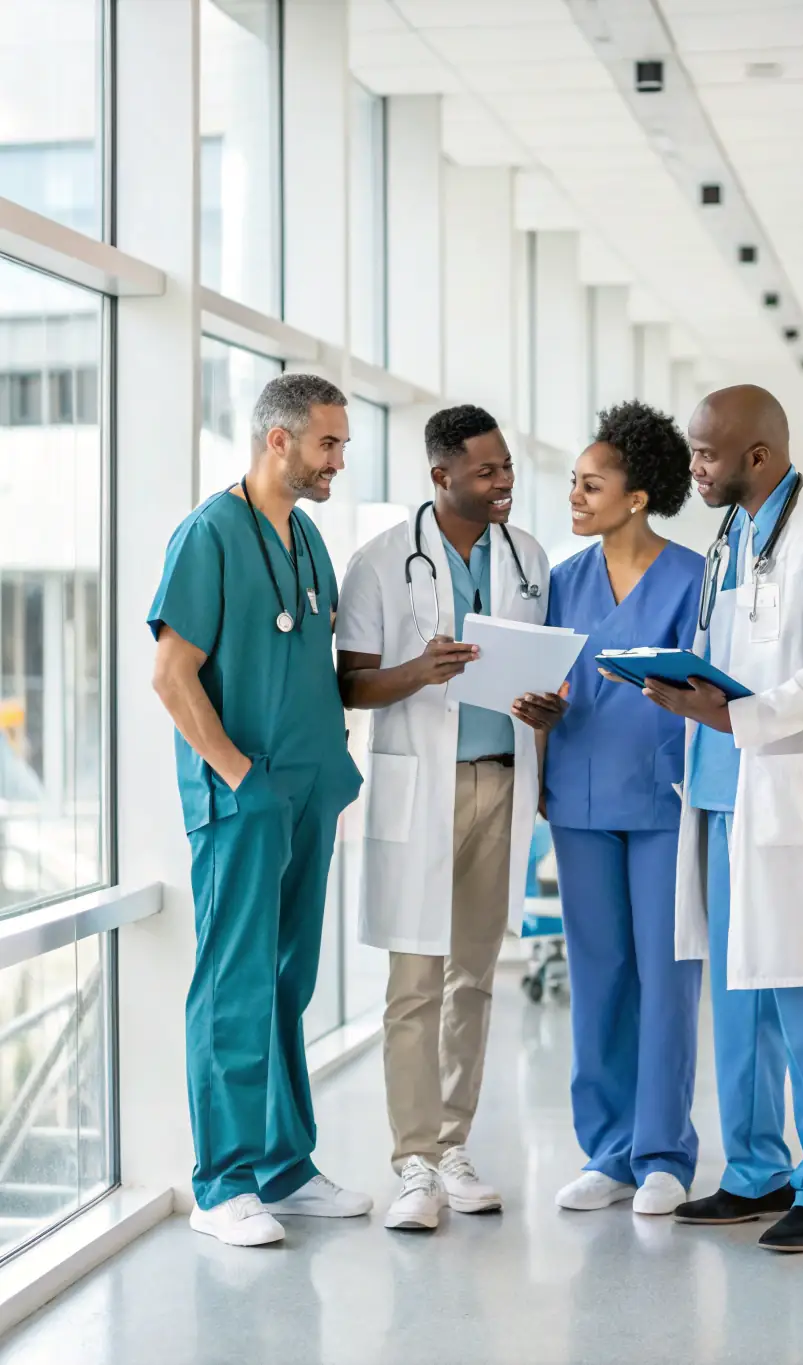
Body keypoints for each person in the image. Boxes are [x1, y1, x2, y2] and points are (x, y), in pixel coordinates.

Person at [149, 374, 370, 1248]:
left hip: (309, 789)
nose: (339, 461)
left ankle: (284, 1165)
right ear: (278, 440)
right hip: (244, 796)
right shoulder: (209, 534)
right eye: (328, 444)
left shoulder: (307, 536)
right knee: (234, 984)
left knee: (288, 980)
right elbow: (172, 677)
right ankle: (222, 1181)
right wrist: (241, 775)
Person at [653, 384, 803, 1253]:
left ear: (758, 455)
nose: (695, 467)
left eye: (707, 454)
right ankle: (754, 1170)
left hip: (783, 792)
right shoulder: (732, 536)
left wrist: (730, 716)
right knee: (739, 994)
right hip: (719, 790)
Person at [336, 405, 559, 1233]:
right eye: (487, 470)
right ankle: (413, 1162)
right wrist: (418, 671)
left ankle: (457, 1146)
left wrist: (548, 706)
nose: (504, 482)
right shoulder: (382, 561)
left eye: (506, 467)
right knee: (414, 985)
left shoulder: (527, 557)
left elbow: (542, 664)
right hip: (420, 786)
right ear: (442, 476)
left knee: (474, 976)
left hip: (503, 781)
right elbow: (350, 683)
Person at [542, 400, 705, 1217]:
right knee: (599, 974)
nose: (575, 495)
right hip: (578, 796)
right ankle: (607, 1151)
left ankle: (664, 1151)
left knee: (667, 974)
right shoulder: (563, 584)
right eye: (573, 482)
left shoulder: (691, 579)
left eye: (591, 484)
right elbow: (543, 684)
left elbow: (709, 689)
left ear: (637, 497)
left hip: (663, 797)